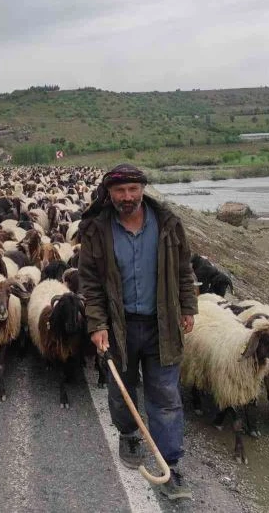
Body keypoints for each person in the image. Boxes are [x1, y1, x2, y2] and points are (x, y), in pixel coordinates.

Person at [78, 163, 197, 501]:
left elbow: (184, 270)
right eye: (120, 191)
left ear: (142, 189)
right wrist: (97, 324)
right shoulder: (97, 230)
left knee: (166, 396)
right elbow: (90, 282)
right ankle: (129, 433)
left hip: (163, 324)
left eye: (133, 189)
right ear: (110, 193)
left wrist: (188, 306)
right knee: (121, 388)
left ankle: (170, 464)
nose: (127, 196)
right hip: (120, 325)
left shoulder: (169, 225)